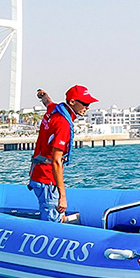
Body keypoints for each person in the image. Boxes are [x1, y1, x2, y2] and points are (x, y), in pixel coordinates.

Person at [28, 85, 97, 223]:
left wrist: (43, 95)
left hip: (36, 174)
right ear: (72, 102)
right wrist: (62, 196)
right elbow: (56, 161)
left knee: (54, 215)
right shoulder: (63, 124)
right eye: (85, 103)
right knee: (52, 221)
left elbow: (48, 102)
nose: (87, 107)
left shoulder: (55, 109)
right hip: (47, 179)